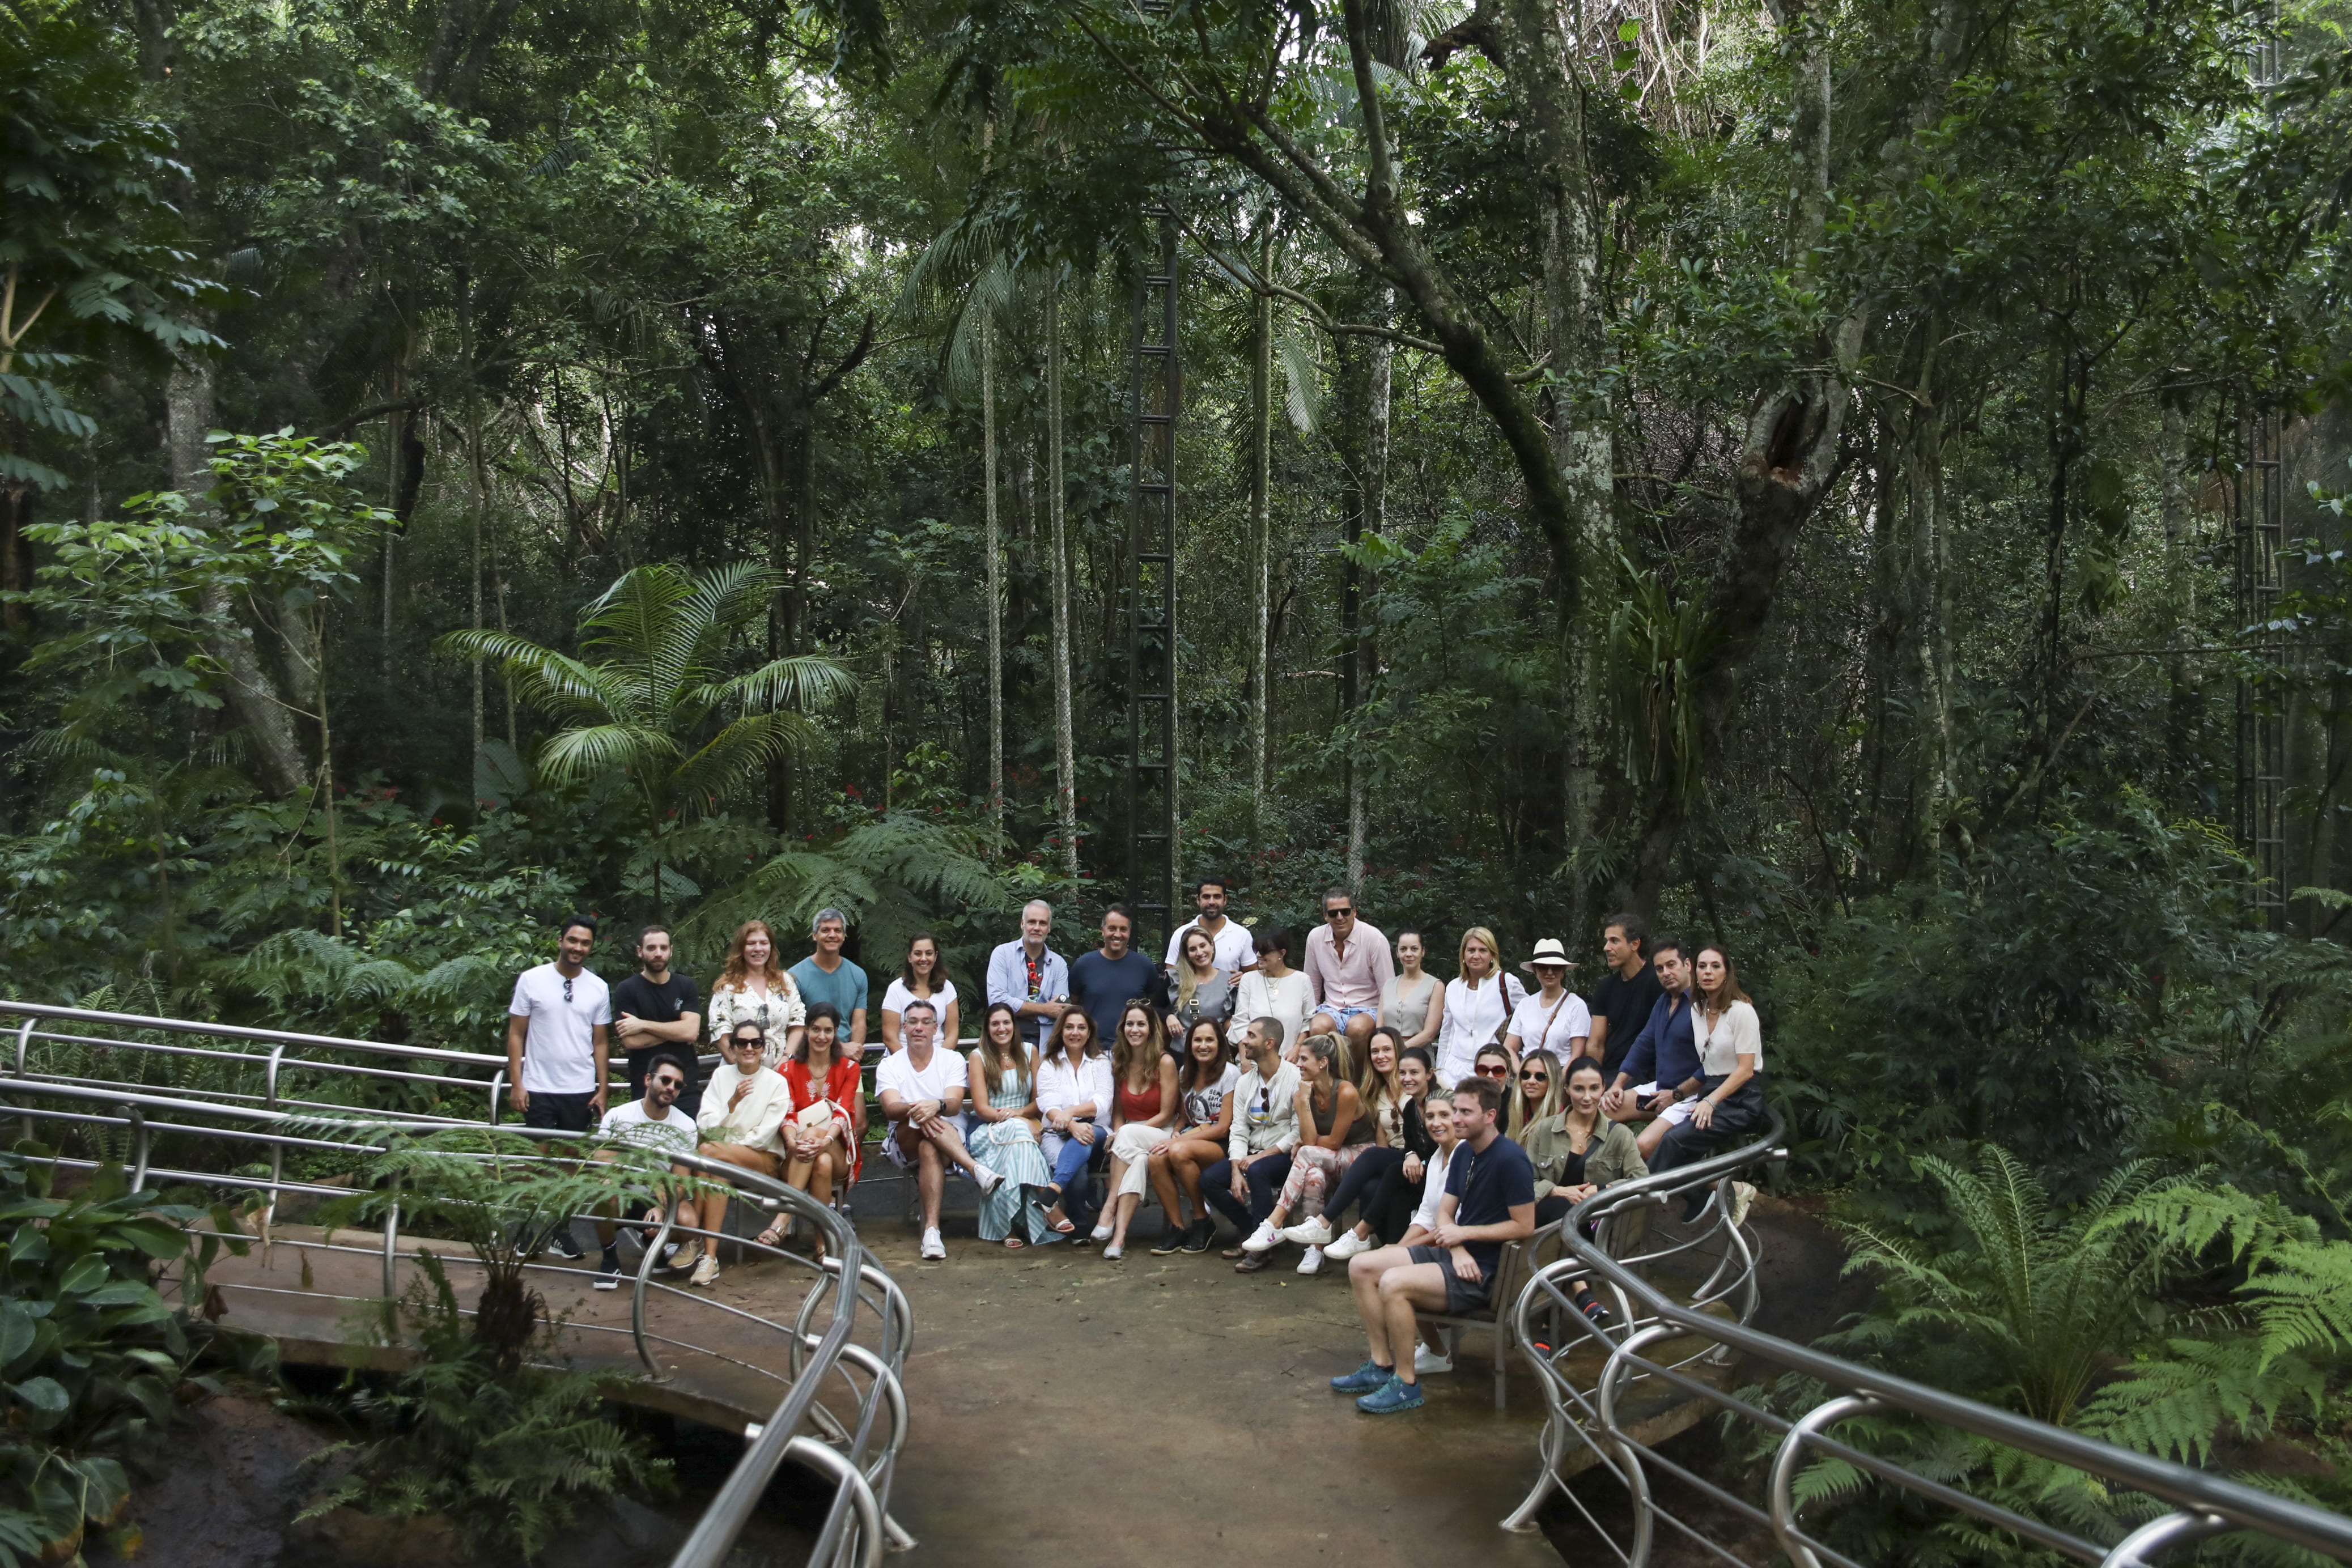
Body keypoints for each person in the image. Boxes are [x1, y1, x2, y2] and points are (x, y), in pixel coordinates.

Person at [1331, 1074, 1535, 1414]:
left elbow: (1525, 1225)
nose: (1456, 1119)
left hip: (1486, 1272)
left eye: (1465, 1112)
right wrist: (1456, 1245)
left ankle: (1406, 1383)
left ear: (1490, 1116)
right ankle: (1381, 1365)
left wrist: (1465, 1236)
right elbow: (1444, 1214)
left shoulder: (1510, 1160)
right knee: (1362, 1265)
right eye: (1457, 1111)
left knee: (1394, 1283)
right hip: (1457, 1256)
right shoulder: (1465, 1152)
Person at [505, 918, 612, 1255]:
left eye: (585, 943)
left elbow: (600, 1042)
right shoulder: (532, 980)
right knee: (535, 1160)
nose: (578, 947)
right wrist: (517, 1083)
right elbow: (516, 1034)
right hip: (538, 1086)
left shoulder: (598, 987)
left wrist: (603, 1088)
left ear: (591, 947)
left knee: (571, 1162)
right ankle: (527, 1227)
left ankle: (560, 1230)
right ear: (560, 940)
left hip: (579, 1088)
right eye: (573, 940)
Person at [1522, 1055, 1649, 1328]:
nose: (1587, 1097)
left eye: (1594, 1088)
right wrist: (1557, 1191)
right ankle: (1580, 1293)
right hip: (1546, 1223)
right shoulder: (1545, 1130)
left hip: (1594, 1229)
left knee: (1569, 1217)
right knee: (1562, 1210)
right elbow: (1524, 1183)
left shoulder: (1619, 1135)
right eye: (1579, 1089)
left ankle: (1548, 1326)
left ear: (1603, 1088)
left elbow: (1642, 1181)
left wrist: (1601, 1190)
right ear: (1567, 1089)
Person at [876, 998, 1003, 1260]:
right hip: (905, 1139)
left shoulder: (952, 1059)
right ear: (904, 1027)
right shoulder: (890, 1064)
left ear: (936, 1029)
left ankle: (931, 1232)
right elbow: (891, 1108)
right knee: (922, 1122)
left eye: (926, 1022)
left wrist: (937, 1106)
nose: (919, 1028)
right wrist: (922, 1109)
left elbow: (954, 1105)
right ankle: (975, 1169)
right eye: (913, 1022)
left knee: (929, 1147)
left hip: (948, 1139)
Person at [1648, 944, 1765, 1226]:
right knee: (1677, 1143)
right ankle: (1705, 1192)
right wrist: (1681, 1094)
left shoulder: (1741, 1012)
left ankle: (1633, 1199)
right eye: (1702, 966)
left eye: (1715, 966)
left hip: (1740, 1097)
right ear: (1695, 972)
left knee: (1674, 1140)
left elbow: (1746, 1070)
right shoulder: (1698, 1009)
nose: (1708, 972)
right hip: (1711, 1090)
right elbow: (1707, 1064)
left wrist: (1711, 1102)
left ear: (1727, 973)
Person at [1241, 1031, 1372, 1274]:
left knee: (1306, 1153)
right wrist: (1303, 1102)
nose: (1298, 1064)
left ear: (1323, 1063)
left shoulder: (1346, 1092)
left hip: (1362, 1158)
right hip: (1325, 1158)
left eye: (1304, 1059)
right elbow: (1313, 1141)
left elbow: (1333, 1142)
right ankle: (1314, 1250)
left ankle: (1274, 1222)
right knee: (1313, 1176)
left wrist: (1305, 1144)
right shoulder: (1302, 1095)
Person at [689, 1021, 796, 1286]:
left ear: (763, 1047)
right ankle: (710, 1258)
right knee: (717, 1174)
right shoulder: (721, 1076)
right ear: (733, 1047)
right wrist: (732, 1103)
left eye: (755, 1043)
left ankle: (693, 1236)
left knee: (706, 1151)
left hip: (762, 1161)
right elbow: (705, 1124)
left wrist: (726, 1146)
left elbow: (763, 1136)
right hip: (723, 1159)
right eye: (742, 1043)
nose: (749, 1048)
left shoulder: (776, 1082)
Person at [1315, 1043, 1442, 1262]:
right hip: (1419, 1174)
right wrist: (1411, 1154)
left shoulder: (1441, 1105)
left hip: (1441, 1175)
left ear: (1429, 1074)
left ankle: (1355, 1231)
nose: (1407, 1078)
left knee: (1389, 1168)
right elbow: (1412, 1145)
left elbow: (1446, 1148)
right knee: (1375, 1186)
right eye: (1402, 1073)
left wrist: (1416, 1159)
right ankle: (1391, 1251)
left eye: (1414, 1073)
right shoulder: (1412, 1107)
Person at [590, 1049, 701, 1289]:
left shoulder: (686, 1125)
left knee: (689, 1222)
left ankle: (654, 1241)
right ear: (649, 1079)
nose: (671, 1088)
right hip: (624, 1192)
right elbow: (604, 1165)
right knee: (604, 1189)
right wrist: (646, 1178)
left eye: (678, 1085)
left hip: (659, 1196)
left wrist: (662, 1208)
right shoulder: (619, 1116)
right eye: (666, 1080)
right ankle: (609, 1258)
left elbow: (681, 1180)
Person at [1202, 1017, 1301, 1253]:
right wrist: (1236, 1169)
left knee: (1257, 1171)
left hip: (1284, 1155)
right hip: (1251, 1153)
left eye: (1251, 1036)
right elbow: (1238, 1130)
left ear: (1269, 1043)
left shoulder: (1295, 1077)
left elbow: (1298, 1132)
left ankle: (1259, 1251)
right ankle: (1251, 1230)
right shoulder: (1245, 1081)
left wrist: (1261, 1157)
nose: (1244, 1041)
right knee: (1209, 1180)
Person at [1602, 938, 1703, 1162]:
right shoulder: (1663, 1002)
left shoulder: (1702, 1005)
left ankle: (1692, 1180)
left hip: (1692, 1096)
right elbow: (1643, 1045)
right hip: (1661, 1088)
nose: (1666, 973)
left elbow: (1712, 1066)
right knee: (1604, 1109)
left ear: (1687, 965)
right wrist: (1617, 1085)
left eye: (1671, 965)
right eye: (1659, 969)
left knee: (1644, 1145)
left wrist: (1676, 1094)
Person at [774, 1002, 864, 1255]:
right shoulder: (787, 1070)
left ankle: (784, 1216)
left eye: (828, 1031)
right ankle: (823, 1244)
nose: (821, 1036)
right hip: (797, 1150)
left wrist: (824, 1140)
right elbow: (787, 1113)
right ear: (806, 1030)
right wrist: (792, 1142)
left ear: (835, 1033)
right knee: (821, 1163)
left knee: (816, 1139)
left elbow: (844, 1113)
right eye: (816, 1029)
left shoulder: (850, 1068)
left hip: (837, 1149)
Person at [1145, 1020, 1241, 1255]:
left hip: (1222, 1143)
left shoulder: (1230, 1074)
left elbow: (1224, 1128)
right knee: (1156, 1157)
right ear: (1190, 1045)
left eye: (1210, 1040)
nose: (1203, 1045)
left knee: (1178, 1151)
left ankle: (1202, 1220)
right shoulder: (1185, 1073)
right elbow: (1184, 1116)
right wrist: (1177, 1130)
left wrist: (1177, 1141)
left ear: (1220, 1044)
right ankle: (1177, 1227)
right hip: (1194, 1137)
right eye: (1198, 1040)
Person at [966, 1001, 1056, 1248]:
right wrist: (1018, 1120)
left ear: (1014, 1026)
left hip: (1024, 1125)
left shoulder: (1029, 1051)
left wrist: (1020, 1116)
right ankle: (1048, 1201)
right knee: (1019, 1132)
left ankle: (1007, 1227)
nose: (1001, 1028)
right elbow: (982, 1109)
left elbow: (1039, 1102)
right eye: (995, 1024)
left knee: (1016, 1148)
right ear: (987, 1028)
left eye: (1006, 1022)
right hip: (990, 1129)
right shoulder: (978, 1057)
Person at [1097, 1001, 1182, 1259]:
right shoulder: (1120, 1062)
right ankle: (1119, 1238)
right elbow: (1118, 1112)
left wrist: (1126, 1132)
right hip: (1131, 1139)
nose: (1135, 1030)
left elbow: (1166, 1114)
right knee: (1139, 1162)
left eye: (1141, 1024)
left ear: (1151, 1029)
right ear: (1123, 1028)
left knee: (1127, 1136)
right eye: (1130, 1024)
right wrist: (1117, 1132)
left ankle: (1109, 1207)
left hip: (1162, 1132)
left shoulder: (1165, 1062)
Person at [1035, 1008, 1113, 1240]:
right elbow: (1048, 1104)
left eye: (1081, 1028)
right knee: (1076, 1165)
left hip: (1097, 1132)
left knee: (1085, 1135)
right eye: (1069, 1027)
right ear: (1061, 1031)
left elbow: (1102, 1102)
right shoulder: (1049, 1064)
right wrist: (1071, 1125)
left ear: (1089, 1033)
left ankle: (1054, 1190)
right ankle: (1078, 1227)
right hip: (1056, 1134)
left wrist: (1070, 1113)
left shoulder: (1101, 1062)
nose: (1075, 1033)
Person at [612, 923, 703, 1116]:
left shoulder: (686, 986)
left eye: (663, 948)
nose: (658, 953)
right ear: (640, 951)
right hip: (646, 1086)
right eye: (652, 948)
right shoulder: (627, 990)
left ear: (671, 951)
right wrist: (678, 1031)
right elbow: (632, 1041)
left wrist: (642, 1024)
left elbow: (690, 1032)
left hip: (684, 1085)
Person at [1304, 887, 1394, 1059]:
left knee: (1357, 1028)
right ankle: (1327, 1075)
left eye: (1345, 912)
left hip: (1368, 1007)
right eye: (1333, 913)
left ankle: (1357, 1075)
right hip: (1332, 1007)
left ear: (1354, 912)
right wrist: (1307, 1020)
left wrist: (1383, 1029)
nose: (1340, 917)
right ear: (1325, 915)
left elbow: (1388, 989)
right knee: (1318, 1027)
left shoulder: (1374, 938)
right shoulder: (1315, 938)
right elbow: (1312, 986)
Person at [1433, 927, 1526, 1090]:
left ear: (1492, 955)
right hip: (1454, 1071)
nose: (1476, 956)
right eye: (1471, 950)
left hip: (1491, 1070)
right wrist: (1441, 1071)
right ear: (1463, 954)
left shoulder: (1506, 982)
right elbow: (1447, 1032)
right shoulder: (1453, 987)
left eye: (1483, 950)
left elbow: (1529, 1016)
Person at [706, 919, 805, 1061]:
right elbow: (719, 1031)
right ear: (741, 948)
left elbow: (798, 1022)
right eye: (751, 943)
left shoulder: (784, 981)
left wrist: (786, 1060)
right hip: (741, 1066)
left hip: (781, 1066)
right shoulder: (727, 986)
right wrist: (742, 1067)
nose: (758, 949)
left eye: (764, 943)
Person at [1068, 905, 1161, 1050]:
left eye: (1123, 929)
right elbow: (1073, 1007)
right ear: (1103, 930)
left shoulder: (1145, 966)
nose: (1117, 934)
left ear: (1130, 932)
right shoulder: (1083, 965)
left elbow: (1154, 1009)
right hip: (1092, 1050)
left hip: (1132, 1050)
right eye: (1112, 929)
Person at [1586, 913, 1662, 1082]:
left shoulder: (1657, 981)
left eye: (1614, 941)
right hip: (1609, 1071)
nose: (1607, 948)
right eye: (1607, 941)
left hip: (1644, 1073)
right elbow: (1595, 1043)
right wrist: (1592, 1079)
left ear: (1635, 944)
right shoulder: (1605, 987)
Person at [987, 899, 1071, 1051]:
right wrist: (1045, 1009)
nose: (1037, 928)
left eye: (1043, 923)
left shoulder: (1058, 964)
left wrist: (1017, 1007)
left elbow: (1060, 1009)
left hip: (1045, 1042)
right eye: (1032, 922)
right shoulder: (1002, 954)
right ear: (1022, 924)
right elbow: (997, 1001)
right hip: (1006, 1038)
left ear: (1049, 928)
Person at [789, 908, 869, 1052]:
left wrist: (854, 1052)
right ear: (815, 935)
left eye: (838, 930)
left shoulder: (858, 975)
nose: (832, 935)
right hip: (808, 1056)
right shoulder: (795, 976)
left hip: (847, 1058)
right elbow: (795, 1028)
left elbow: (859, 1024)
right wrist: (840, 1049)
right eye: (825, 930)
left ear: (844, 936)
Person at [1229, 926, 1313, 1059]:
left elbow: (1309, 1021)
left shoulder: (1302, 980)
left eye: (1264, 951)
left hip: (1291, 1059)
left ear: (1282, 953)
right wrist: (1245, 1059)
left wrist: (1297, 1048)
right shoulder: (1248, 979)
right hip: (1253, 1059)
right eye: (1257, 950)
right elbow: (1240, 1022)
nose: (1258, 955)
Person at [1505, 938, 1591, 1067]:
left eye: (1556, 968)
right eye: (1543, 967)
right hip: (1529, 1072)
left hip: (1561, 1071)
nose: (1550, 972)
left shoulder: (1577, 1006)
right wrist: (1520, 1074)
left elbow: (1577, 1054)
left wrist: (1560, 1078)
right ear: (1535, 970)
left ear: (1563, 971)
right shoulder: (1525, 1005)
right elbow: (1509, 1047)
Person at [880, 931, 959, 1053]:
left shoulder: (948, 988)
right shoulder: (896, 989)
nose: (923, 959)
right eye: (918, 954)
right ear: (909, 957)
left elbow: (952, 1034)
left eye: (929, 953)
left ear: (935, 956)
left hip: (940, 1058)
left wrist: (938, 1061)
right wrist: (910, 1062)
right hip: (901, 1058)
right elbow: (890, 1038)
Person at [1163, 873, 1255, 972]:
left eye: (1217, 897)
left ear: (1225, 900)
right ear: (1198, 900)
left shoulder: (1242, 935)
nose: (1212, 902)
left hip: (1229, 983)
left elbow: (1253, 975)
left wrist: (1242, 978)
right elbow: (1170, 975)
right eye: (1206, 897)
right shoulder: (1181, 934)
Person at [1379, 929, 1445, 1058]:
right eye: (1403, 949)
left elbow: (1430, 1033)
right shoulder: (1388, 985)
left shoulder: (1435, 986)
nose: (1408, 954)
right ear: (1397, 953)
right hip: (1387, 1057)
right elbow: (1380, 1028)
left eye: (1414, 949)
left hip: (1419, 1056)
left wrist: (1397, 1051)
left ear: (1423, 952)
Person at [1165, 927, 1236, 1042]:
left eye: (1203, 946)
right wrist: (1168, 1016)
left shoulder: (1230, 981)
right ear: (1187, 954)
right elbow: (1155, 1007)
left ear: (1212, 946)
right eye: (1193, 949)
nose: (1199, 953)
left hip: (1216, 1048)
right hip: (1181, 1049)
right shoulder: (1176, 978)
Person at [1507, 1048, 1565, 1142]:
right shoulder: (1515, 1112)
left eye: (1540, 1077)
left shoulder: (1561, 1121)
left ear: (1552, 1080)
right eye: (1526, 1075)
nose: (1531, 1081)